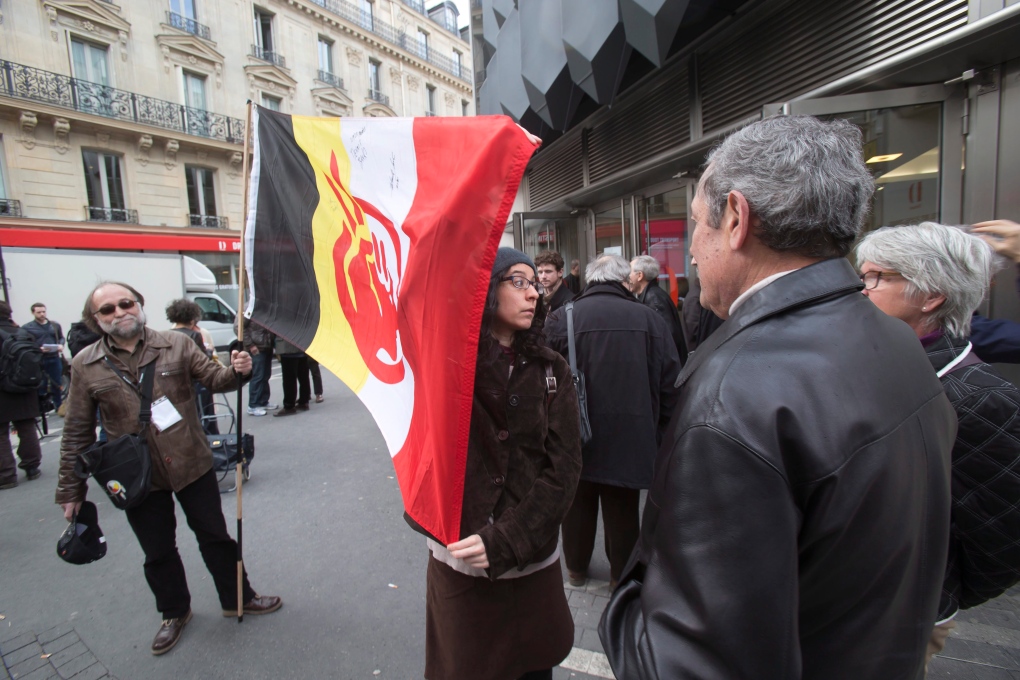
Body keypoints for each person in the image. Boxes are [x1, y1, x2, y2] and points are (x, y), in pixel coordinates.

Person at [599, 116, 956, 680]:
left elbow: (688, 664)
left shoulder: (736, 393)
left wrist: (622, 609)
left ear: (736, 219)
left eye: (697, 224)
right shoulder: (894, 337)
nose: (691, 251)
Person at [56, 282, 281, 656]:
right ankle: (174, 612)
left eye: (125, 303)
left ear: (140, 305)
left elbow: (216, 379)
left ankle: (238, 598)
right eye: (107, 310)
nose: (119, 312)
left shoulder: (175, 344)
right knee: (158, 551)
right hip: (136, 477)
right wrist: (70, 492)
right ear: (96, 320)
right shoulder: (86, 364)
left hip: (191, 461)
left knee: (216, 537)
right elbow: (76, 430)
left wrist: (239, 370)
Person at [411, 248, 582, 680]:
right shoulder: (446, 367)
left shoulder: (552, 369)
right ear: (488, 291)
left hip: (530, 561)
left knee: (532, 667)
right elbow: (418, 451)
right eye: (519, 282)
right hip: (461, 563)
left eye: (536, 286)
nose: (533, 295)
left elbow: (563, 471)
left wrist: (506, 539)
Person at [856, 222, 1020, 672]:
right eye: (862, 275)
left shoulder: (980, 397)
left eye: (878, 277)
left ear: (930, 297)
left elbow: (1002, 535)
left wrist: (936, 592)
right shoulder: (873, 363)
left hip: (906, 610)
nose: (862, 290)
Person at [545, 254, 680, 589]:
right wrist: (662, 433)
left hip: (575, 431)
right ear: (624, 281)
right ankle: (621, 575)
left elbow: (542, 378)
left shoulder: (563, 318)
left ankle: (576, 569)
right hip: (632, 433)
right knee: (623, 509)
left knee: (576, 502)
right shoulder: (648, 319)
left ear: (591, 279)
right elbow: (670, 383)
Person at [0, 301, 41, 488]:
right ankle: (32, 467)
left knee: (1, 433)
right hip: (26, 388)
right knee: (27, 427)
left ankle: (6, 474)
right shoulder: (23, 333)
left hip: (3, 389)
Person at [166, 298, 219, 434]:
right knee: (204, 414)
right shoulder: (194, 335)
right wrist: (209, 350)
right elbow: (202, 359)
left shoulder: (167, 335)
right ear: (192, 318)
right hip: (196, 381)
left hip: (175, 381)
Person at [629, 255, 686, 361]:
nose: (627, 278)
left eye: (629, 273)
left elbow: (666, 339)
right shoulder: (653, 295)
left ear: (640, 275)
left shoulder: (654, 299)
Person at [22, 302, 64, 412]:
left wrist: (61, 345)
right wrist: (38, 349)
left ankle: (58, 405)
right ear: (33, 313)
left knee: (57, 382)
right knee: (41, 384)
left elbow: (61, 337)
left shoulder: (54, 325)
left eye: (43, 311)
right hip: (39, 358)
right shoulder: (28, 328)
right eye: (39, 312)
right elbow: (26, 342)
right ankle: (42, 407)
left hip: (54, 357)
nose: (42, 314)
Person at [237, 317, 277, 415]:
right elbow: (238, 327)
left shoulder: (265, 306)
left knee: (265, 375)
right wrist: (250, 345)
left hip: (267, 345)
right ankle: (253, 405)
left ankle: (263, 401)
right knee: (257, 376)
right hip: (257, 347)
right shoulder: (249, 307)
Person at [274, 335, 309, 416]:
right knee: (303, 377)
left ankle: (289, 406)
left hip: (288, 348)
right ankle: (304, 401)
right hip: (301, 346)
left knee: (289, 380)